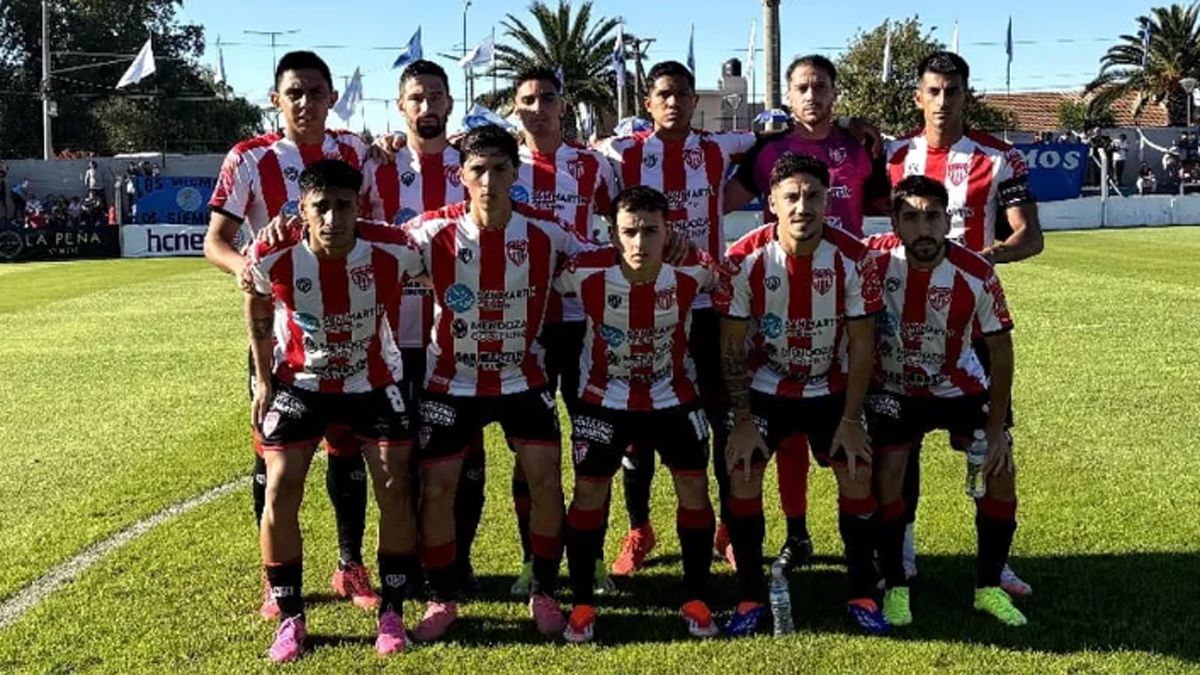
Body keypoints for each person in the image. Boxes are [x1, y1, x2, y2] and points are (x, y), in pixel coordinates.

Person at [405, 125, 600, 643]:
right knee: (437, 488)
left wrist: (673, 247)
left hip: (523, 379)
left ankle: (543, 588)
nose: (488, 180)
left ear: (516, 172)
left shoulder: (549, 232)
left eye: (498, 169)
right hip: (451, 381)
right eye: (477, 170)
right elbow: (369, 247)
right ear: (461, 176)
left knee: (544, 482)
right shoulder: (428, 232)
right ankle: (441, 596)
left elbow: (607, 260)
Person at [204, 50, 380, 620]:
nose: (305, 103)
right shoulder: (249, 157)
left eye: (315, 92)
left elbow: (375, 225)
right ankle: (274, 581)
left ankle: (350, 563)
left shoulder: (355, 151)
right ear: (275, 99)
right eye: (294, 93)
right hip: (281, 338)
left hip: (351, 335)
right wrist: (247, 270)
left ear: (332, 97)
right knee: (272, 460)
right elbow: (217, 240)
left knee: (346, 450)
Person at [244, 159, 424, 661]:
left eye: (343, 206)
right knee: (279, 485)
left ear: (358, 206)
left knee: (395, 482)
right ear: (302, 209)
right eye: (320, 206)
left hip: (372, 380)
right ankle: (290, 615)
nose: (332, 218)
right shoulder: (272, 253)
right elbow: (256, 302)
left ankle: (392, 610)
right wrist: (262, 377)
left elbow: (448, 258)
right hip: (301, 382)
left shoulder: (396, 247)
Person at [724, 54, 891, 572]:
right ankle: (796, 534)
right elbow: (720, 199)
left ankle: (884, 549)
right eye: (802, 87)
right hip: (777, 296)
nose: (813, 95)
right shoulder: (770, 150)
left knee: (866, 430)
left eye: (821, 86)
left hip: (846, 298)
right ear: (789, 96)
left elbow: (892, 202)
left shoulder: (859, 147)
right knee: (788, 433)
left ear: (835, 93)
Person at [885, 51, 1041, 595]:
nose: (944, 101)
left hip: (968, 321)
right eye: (934, 91)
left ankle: (994, 566)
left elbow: (1030, 236)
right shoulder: (892, 155)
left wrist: (981, 262)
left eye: (953, 91)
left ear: (965, 95)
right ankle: (899, 553)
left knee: (992, 447)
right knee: (896, 449)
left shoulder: (999, 157)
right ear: (918, 97)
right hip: (899, 323)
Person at [714, 152, 886, 636]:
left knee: (857, 471)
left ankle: (861, 592)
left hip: (830, 387)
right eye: (791, 196)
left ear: (827, 200)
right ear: (772, 202)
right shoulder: (742, 259)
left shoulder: (854, 258)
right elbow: (731, 349)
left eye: (813, 195)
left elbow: (862, 344)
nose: (802, 206)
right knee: (742, 472)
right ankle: (749, 597)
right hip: (765, 388)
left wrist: (851, 422)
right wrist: (743, 420)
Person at [597, 60, 755, 576]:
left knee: (720, 418)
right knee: (638, 424)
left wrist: (854, 132)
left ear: (695, 100)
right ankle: (639, 528)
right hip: (645, 305)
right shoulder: (625, 153)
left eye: (683, 94)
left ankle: (726, 529)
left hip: (707, 307)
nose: (674, 103)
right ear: (647, 102)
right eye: (663, 94)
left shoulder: (718, 149)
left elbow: (778, 134)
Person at [558, 186, 720, 643]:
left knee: (693, 487)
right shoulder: (583, 271)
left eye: (651, 230)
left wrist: (699, 250)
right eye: (629, 231)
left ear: (667, 231)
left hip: (675, 398)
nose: (639, 242)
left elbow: (729, 280)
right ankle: (584, 602)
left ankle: (696, 597)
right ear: (613, 233)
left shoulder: (692, 270)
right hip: (603, 400)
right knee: (588, 493)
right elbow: (540, 285)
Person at [865, 174, 1026, 628]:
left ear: (947, 221)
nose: (923, 229)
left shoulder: (976, 272)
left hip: (960, 387)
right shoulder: (871, 258)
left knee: (1000, 471)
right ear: (894, 222)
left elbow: (1001, 351)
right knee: (889, 473)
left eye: (933, 217)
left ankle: (989, 587)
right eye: (911, 218)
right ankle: (896, 585)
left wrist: (996, 430)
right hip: (894, 389)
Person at [358, 58, 493, 594]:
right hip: (392, 337)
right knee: (400, 459)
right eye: (417, 98)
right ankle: (405, 560)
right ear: (401, 106)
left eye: (436, 96)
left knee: (467, 457)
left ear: (450, 104)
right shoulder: (376, 166)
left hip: (463, 337)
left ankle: (457, 562)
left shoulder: (474, 165)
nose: (427, 106)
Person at [509, 65, 616, 595]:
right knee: (531, 453)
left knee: (594, 444)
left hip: (582, 325)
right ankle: (534, 559)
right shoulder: (501, 164)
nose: (538, 107)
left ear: (562, 105)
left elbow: (619, 221)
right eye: (527, 99)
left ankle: (591, 559)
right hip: (522, 324)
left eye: (547, 98)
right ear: (515, 107)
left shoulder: (592, 164)